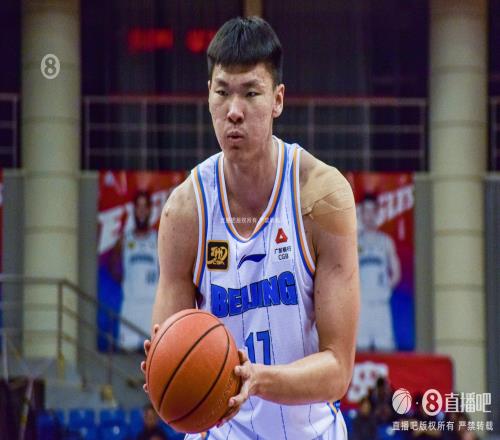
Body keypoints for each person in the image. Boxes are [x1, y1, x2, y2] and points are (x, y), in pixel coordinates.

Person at [141, 16, 359, 439]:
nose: (234, 111)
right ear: (208, 95)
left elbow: (338, 369)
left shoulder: (322, 197)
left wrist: (257, 379)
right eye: (222, 92)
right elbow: (169, 366)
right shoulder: (184, 212)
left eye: (251, 93)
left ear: (278, 100)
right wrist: (165, 368)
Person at [109, 190, 159, 350]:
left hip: (151, 308)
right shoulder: (124, 240)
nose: (142, 211)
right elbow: (113, 268)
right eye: (139, 207)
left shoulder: (158, 239)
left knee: (152, 356)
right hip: (130, 308)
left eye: (145, 206)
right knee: (127, 356)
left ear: (150, 210)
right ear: (134, 210)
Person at [357, 193, 401, 351]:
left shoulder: (386, 242)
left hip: (381, 306)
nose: (369, 216)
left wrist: (386, 288)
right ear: (361, 214)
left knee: (385, 349)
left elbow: (396, 272)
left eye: (372, 211)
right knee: (360, 350)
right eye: (365, 211)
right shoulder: (353, 242)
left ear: (377, 213)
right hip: (361, 306)